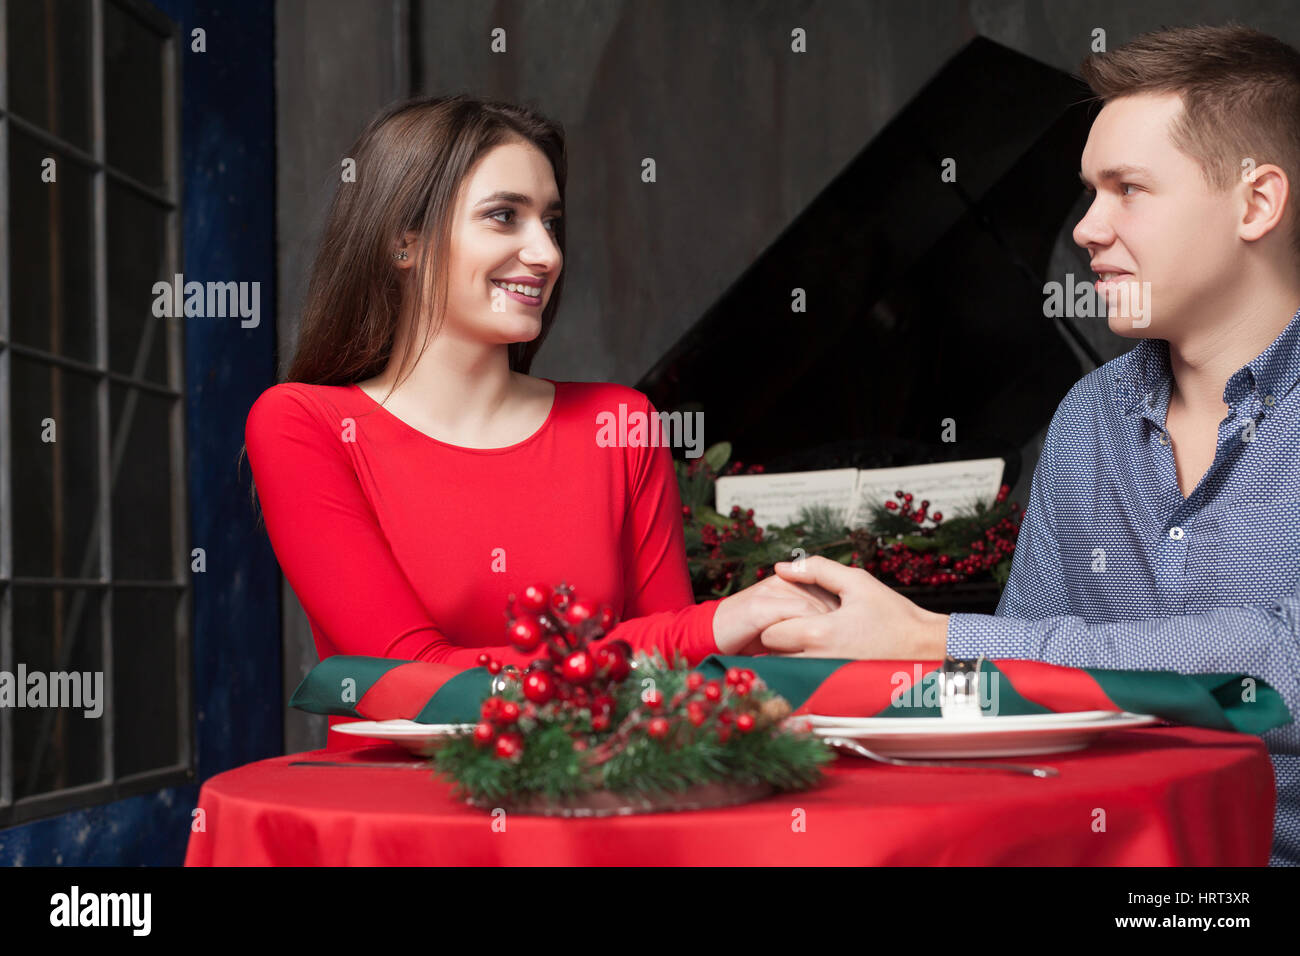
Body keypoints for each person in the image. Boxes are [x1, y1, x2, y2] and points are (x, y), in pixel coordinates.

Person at [759, 24, 1300, 866]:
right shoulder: (1089, 417)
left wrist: (937, 642)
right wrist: (813, 700)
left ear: (1257, 203)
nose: (1084, 229)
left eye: (1127, 189)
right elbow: (1021, 705)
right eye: (1089, 193)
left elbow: (1281, 668)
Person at [242, 95, 835, 748]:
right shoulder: (304, 424)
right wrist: (716, 625)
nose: (546, 253)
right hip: (402, 824)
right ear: (402, 242)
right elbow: (407, 682)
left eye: (551, 223)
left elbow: (672, 685)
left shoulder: (620, 423)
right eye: (504, 217)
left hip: (603, 800)